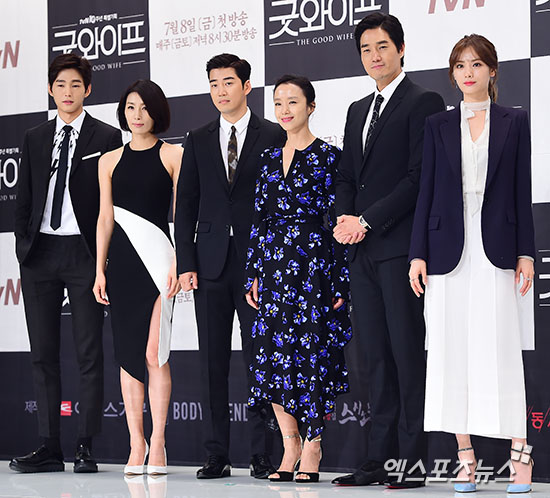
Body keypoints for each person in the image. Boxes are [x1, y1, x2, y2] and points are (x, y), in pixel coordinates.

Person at [408, 34, 535, 494]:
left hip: (497, 249)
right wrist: (417, 253)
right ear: (452, 73)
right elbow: (425, 191)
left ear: (492, 70)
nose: (468, 72)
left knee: (501, 351)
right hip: (446, 251)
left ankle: (520, 455)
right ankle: (466, 458)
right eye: (460, 65)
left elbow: (521, 190)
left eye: (476, 64)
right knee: (450, 353)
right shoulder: (437, 124)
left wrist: (526, 253)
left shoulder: (514, 121)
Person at [332, 12, 445, 488]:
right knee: (375, 359)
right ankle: (377, 461)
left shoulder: (424, 101)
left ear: (400, 49)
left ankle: (411, 464)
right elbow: (347, 176)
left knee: (406, 356)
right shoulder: (357, 109)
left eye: (382, 46)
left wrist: (367, 221)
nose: (374, 56)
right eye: (365, 49)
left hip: (400, 249)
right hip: (361, 253)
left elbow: (419, 178)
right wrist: (343, 220)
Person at [175, 53, 286, 480]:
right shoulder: (197, 138)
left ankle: (262, 454)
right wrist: (186, 262)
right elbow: (186, 204)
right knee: (212, 363)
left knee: (261, 362)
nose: (220, 91)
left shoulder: (273, 134)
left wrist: (272, 260)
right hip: (209, 265)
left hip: (259, 267)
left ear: (247, 86)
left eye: (228, 82)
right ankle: (216, 454)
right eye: (213, 84)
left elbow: (279, 204)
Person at [11, 53, 122, 473]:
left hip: (84, 253)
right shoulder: (35, 137)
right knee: (43, 353)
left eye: (76, 84)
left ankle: (85, 446)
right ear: (50, 89)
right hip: (39, 254)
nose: (68, 92)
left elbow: (112, 203)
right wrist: (24, 246)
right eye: (61, 85)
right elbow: (23, 198)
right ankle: (49, 446)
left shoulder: (107, 136)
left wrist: (103, 259)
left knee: (89, 352)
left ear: (88, 89)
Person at [244, 75, 352, 483]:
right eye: (278, 102)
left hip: (313, 267)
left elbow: (338, 221)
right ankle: (289, 445)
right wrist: (253, 273)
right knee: (274, 356)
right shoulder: (268, 158)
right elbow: (258, 219)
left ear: (311, 106)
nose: (285, 110)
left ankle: (313, 444)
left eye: (293, 101)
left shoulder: (330, 156)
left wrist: (339, 281)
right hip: (273, 268)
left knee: (311, 356)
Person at [93, 80, 182, 475]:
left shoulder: (174, 155)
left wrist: (181, 262)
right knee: (129, 357)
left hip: (160, 262)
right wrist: (99, 269)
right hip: (123, 266)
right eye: (131, 107)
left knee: (153, 353)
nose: (137, 115)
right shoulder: (109, 161)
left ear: (156, 112)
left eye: (145, 107)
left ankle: (158, 441)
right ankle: (136, 443)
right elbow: (105, 218)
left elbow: (185, 214)